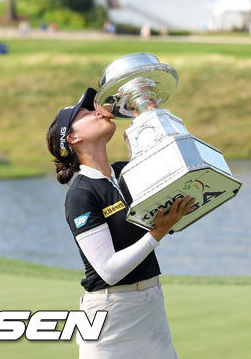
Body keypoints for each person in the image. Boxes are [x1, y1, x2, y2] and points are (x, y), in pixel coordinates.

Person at [46, 88, 196, 359]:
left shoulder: (124, 172)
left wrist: (148, 117)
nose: (98, 111)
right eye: (87, 112)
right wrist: (156, 234)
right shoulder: (81, 194)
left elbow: (174, 165)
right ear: (73, 138)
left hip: (151, 308)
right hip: (110, 319)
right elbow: (108, 270)